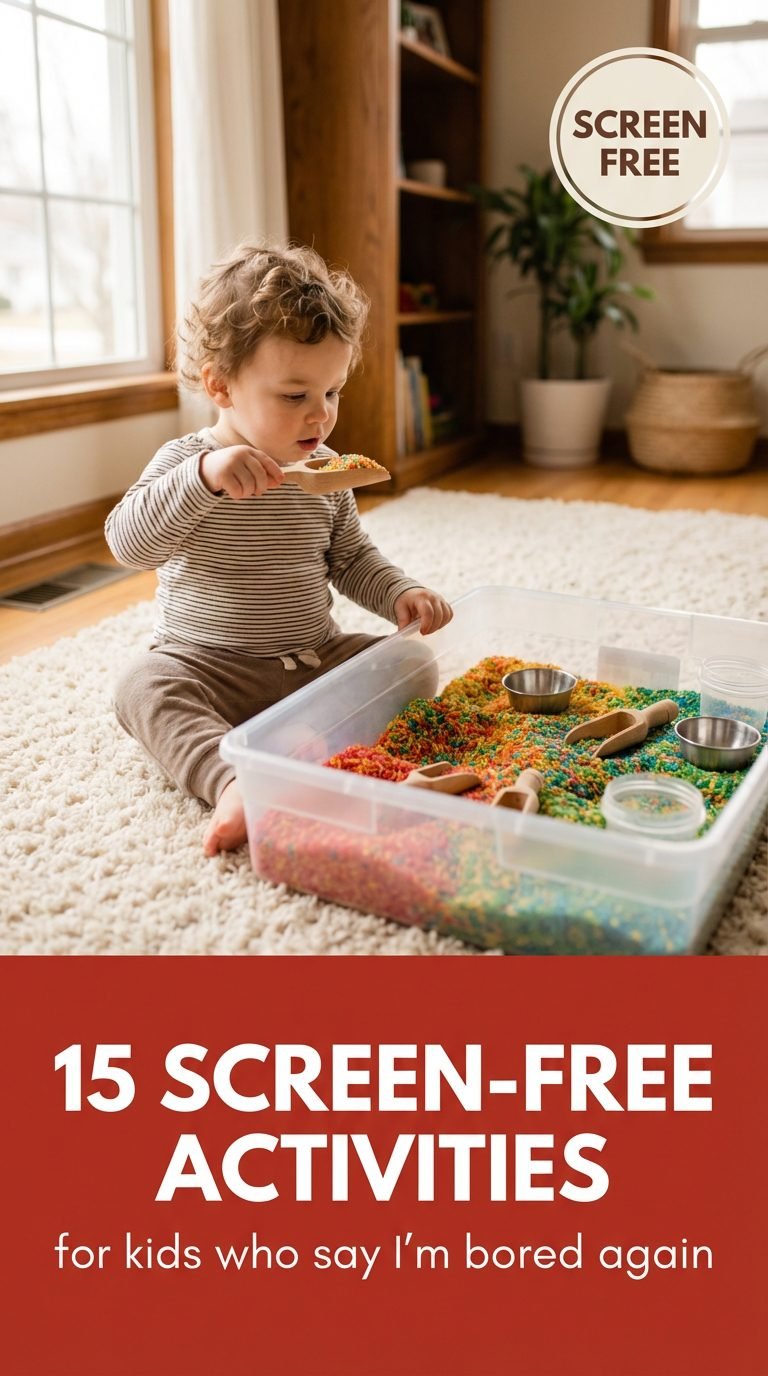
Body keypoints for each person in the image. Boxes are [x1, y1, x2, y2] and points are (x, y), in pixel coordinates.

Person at [106, 242, 452, 857]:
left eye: (332, 392)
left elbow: (351, 557)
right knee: (140, 685)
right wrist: (203, 480)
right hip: (210, 667)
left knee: (411, 663)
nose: (320, 416)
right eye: (295, 397)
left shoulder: (325, 472)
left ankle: (303, 740)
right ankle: (231, 779)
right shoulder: (188, 464)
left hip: (312, 661)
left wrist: (400, 591)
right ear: (220, 385)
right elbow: (128, 543)